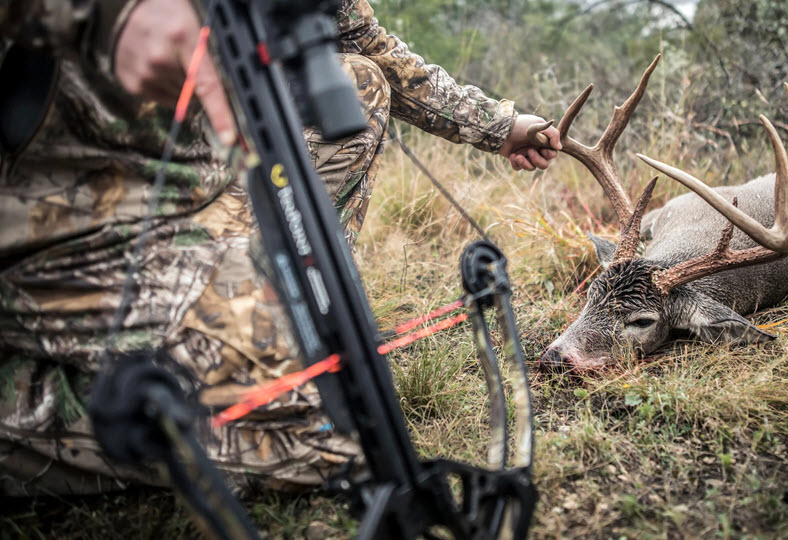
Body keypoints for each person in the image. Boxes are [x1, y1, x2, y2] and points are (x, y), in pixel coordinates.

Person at [0, 0, 561, 495]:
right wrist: (106, 14)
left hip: (200, 186)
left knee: (359, 82)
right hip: (52, 226)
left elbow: (360, 39)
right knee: (314, 425)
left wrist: (500, 125)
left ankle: (292, 306)